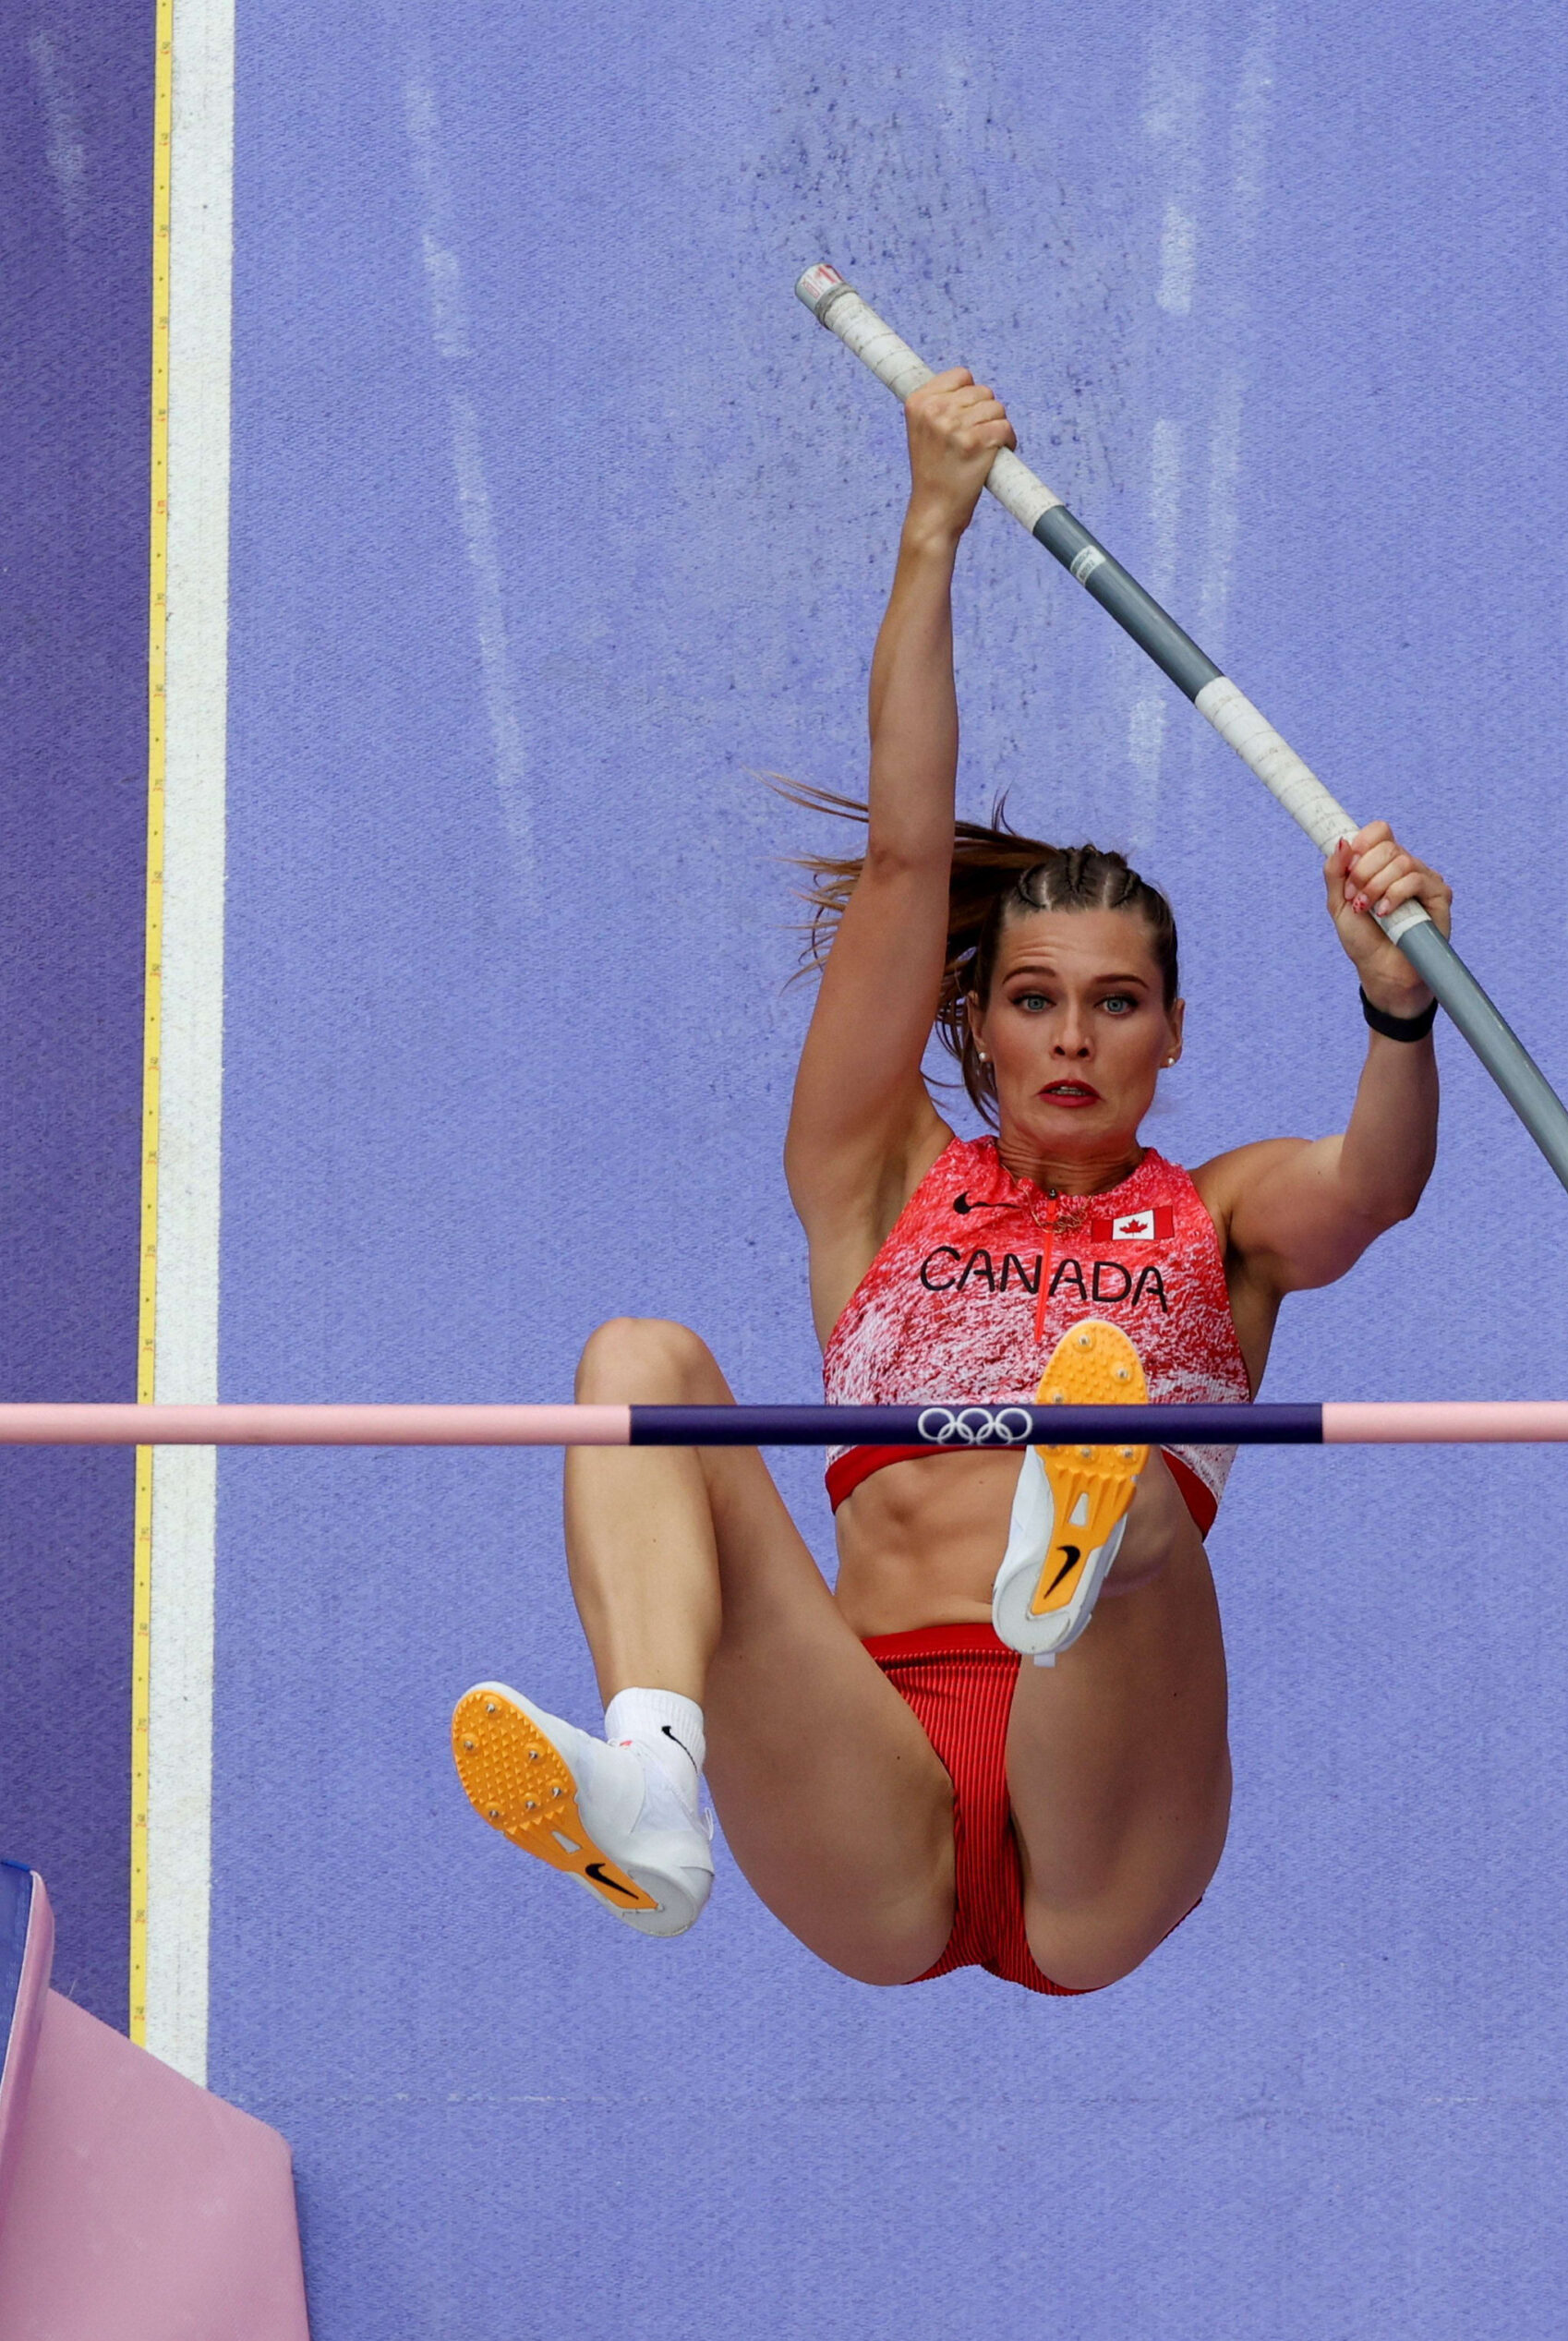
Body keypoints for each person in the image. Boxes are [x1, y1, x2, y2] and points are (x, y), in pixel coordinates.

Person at [452, 365, 1452, 1995]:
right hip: (877, 1784)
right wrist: (934, 523)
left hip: (1104, 1824)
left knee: (1109, 1429)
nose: (1073, 1039)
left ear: (1174, 1034)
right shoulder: (878, 1179)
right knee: (637, 1365)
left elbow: (1377, 1187)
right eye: (1036, 1000)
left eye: (1117, 1005)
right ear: (973, 1025)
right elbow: (912, 858)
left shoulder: (1225, 1215)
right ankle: (648, 1779)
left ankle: (1089, 1536)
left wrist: (1395, 1005)